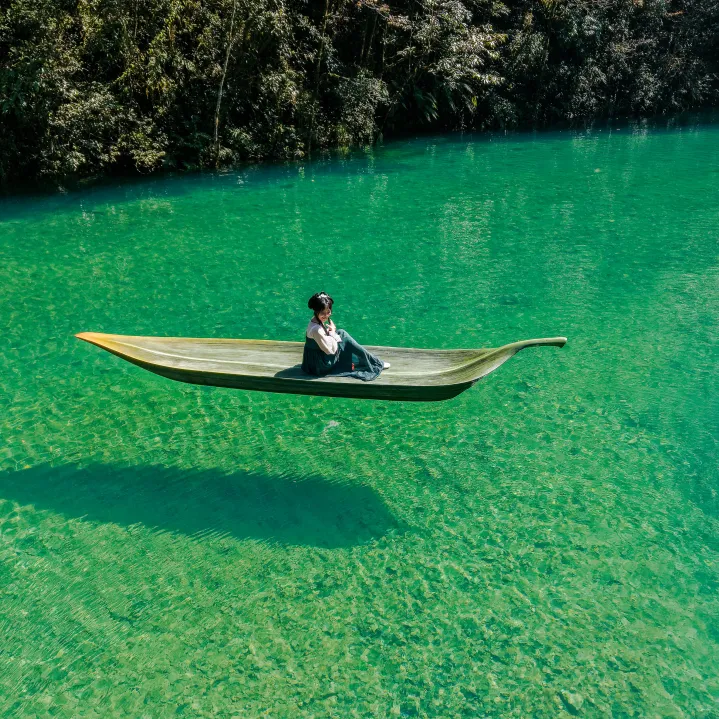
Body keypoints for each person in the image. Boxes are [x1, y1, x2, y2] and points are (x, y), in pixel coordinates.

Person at [301, 292, 389, 381]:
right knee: (343, 336)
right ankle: (374, 362)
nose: (326, 315)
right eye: (323, 313)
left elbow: (322, 340)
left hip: (312, 362)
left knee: (341, 334)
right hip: (319, 366)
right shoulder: (317, 329)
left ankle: (370, 360)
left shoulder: (314, 320)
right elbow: (330, 351)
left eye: (328, 312)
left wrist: (331, 333)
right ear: (316, 311)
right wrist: (333, 333)